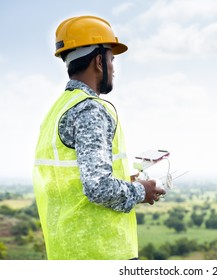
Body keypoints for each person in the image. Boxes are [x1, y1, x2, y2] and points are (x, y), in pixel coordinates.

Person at [32, 15, 166, 260]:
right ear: (98, 62)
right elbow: (98, 188)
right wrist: (141, 190)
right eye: (112, 59)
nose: (114, 68)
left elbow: (72, 179)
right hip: (101, 252)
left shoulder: (58, 109)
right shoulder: (90, 109)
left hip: (68, 251)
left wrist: (124, 179)